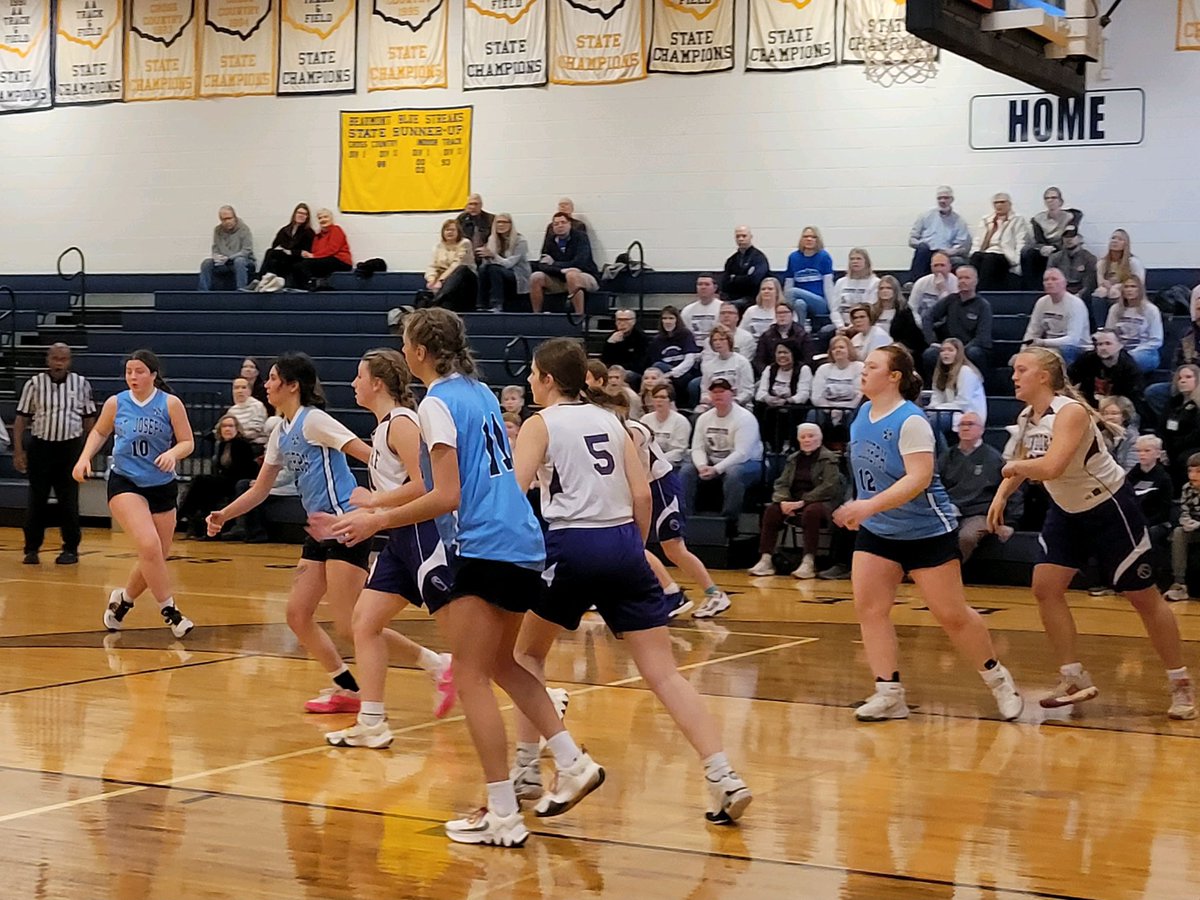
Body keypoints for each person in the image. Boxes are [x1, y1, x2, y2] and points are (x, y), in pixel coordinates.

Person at [333, 308, 603, 846]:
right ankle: (570, 761)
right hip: (524, 538)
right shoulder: (479, 391)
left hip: (486, 543)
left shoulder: (435, 404)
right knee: (502, 664)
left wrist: (376, 518)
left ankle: (503, 813)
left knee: (472, 675)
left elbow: (447, 494)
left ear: (417, 352)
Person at [509, 338, 751, 823]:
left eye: (534, 373)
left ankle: (528, 767)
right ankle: (724, 775)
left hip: (571, 543)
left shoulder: (540, 422)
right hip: (623, 542)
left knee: (525, 655)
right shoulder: (614, 422)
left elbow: (515, 495)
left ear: (549, 379)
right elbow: (643, 496)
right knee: (663, 672)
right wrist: (633, 548)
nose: (530, 381)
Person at [988, 347, 1195, 720]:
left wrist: (1013, 468)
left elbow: (1050, 466)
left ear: (1043, 377)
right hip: (1067, 511)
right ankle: (1073, 677)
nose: (1014, 376)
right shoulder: (1026, 416)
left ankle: (1180, 683)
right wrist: (1001, 495)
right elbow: (1019, 465)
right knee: (1045, 587)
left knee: (1142, 598)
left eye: (1022, 369)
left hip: (1109, 507)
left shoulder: (1071, 412)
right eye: (1013, 369)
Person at [834, 345, 1022, 722]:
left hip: (926, 532)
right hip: (879, 532)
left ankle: (999, 680)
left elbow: (918, 479)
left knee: (951, 615)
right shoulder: (861, 416)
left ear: (894, 377)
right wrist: (862, 506)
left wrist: (866, 506)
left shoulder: (912, 420)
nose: (863, 370)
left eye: (872, 366)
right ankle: (889, 693)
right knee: (870, 611)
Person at [207, 352, 375, 712]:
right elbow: (259, 489)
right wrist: (224, 514)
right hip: (319, 531)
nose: (265, 384)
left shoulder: (315, 422)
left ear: (292, 385)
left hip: (347, 525)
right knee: (298, 615)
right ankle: (347, 689)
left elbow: (370, 455)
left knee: (351, 625)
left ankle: (435, 664)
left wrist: (383, 501)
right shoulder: (281, 430)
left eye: (272, 378)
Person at [317, 349, 458, 748]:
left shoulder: (402, 423)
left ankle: (544, 698)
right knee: (364, 623)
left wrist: (376, 503)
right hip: (399, 540)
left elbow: (425, 486)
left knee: (470, 644)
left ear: (377, 383)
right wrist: (370, 502)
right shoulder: (382, 429)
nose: (353, 384)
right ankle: (373, 721)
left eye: (358, 376)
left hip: (425, 537)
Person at [72, 350, 196, 638]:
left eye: (139, 371)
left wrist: (173, 453)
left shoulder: (170, 404)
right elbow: (100, 432)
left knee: (156, 556)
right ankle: (171, 612)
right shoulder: (117, 403)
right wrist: (84, 457)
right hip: (125, 481)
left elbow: (188, 441)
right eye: (129, 371)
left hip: (162, 485)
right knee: (149, 545)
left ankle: (123, 601)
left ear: (153, 374)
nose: (133, 376)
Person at [14, 343, 96, 565]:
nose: (59, 363)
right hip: (41, 448)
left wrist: (88, 454)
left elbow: (90, 421)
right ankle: (31, 549)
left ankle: (70, 549)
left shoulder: (81, 384)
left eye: (63, 359)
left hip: (70, 449)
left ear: (69, 361)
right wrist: (19, 451)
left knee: (68, 501)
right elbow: (21, 419)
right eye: (55, 358)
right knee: (36, 500)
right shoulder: (34, 384)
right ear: (48, 359)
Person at [749, 423, 842, 579]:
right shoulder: (793, 459)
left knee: (811, 512)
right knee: (772, 510)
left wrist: (803, 502)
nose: (807, 440)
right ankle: (766, 559)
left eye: (811, 436)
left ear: (819, 438)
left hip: (822, 502)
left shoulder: (829, 459)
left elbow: (829, 487)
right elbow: (782, 483)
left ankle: (808, 561)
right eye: (803, 437)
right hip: (794, 501)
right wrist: (783, 500)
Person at [680, 378, 763, 534]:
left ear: (732, 393)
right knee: (686, 470)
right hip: (713, 461)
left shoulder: (745, 418)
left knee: (734, 473)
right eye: (715, 392)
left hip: (749, 462)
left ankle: (728, 524)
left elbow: (742, 453)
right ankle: (685, 519)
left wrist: (716, 469)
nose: (718, 395)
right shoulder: (704, 418)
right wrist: (702, 466)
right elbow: (697, 447)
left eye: (722, 391)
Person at [939, 411, 1016, 562]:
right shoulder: (947, 457)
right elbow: (934, 484)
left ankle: (951, 572)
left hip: (979, 513)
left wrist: (1010, 522)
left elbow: (1011, 490)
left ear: (981, 429)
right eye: (962, 425)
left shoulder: (994, 458)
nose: (965, 428)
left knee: (966, 537)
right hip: (950, 511)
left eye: (970, 424)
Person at [179, 415, 259, 538]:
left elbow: (242, 470)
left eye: (231, 426)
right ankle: (200, 526)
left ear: (237, 429)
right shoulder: (221, 445)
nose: (227, 429)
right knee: (203, 490)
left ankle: (180, 515)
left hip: (238, 481)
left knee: (200, 480)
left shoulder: (241, 444)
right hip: (225, 480)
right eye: (224, 426)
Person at [921, 266, 992, 376]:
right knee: (930, 354)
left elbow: (982, 337)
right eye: (960, 278)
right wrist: (932, 341)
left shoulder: (983, 306)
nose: (963, 281)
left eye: (967, 278)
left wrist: (960, 351)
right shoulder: (950, 300)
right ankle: (934, 388)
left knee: (974, 353)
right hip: (949, 347)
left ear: (976, 281)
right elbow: (927, 317)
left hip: (970, 347)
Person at [1146, 286, 1200, 422]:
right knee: (1154, 392)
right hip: (1187, 380)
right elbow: (1175, 367)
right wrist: (1180, 381)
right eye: (1198, 310)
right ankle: (1174, 423)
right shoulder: (1187, 336)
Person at [530, 212, 599, 316]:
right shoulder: (550, 241)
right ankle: (536, 315)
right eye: (556, 224)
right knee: (536, 277)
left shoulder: (581, 237)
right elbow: (542, 265)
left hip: (586, 276)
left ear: (570, 224)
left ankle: (579, 316)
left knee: (572, 275)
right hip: (560, 277)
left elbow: (580, 263)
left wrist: (554, 263)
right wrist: (561, 270)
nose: (560, 226)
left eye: (563, 222)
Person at [1021, 268, 1091, 365]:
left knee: (1057, 354)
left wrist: (1043, 343)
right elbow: (1033, 331)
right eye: (1046, 280)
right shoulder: (1041, 302)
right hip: (1049, 346)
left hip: (1076, 348)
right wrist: (1023, 352)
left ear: (1064, 283)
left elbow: (1073, 339)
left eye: (1054, 279)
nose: (1049, 282)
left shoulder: (1075, 304)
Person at [1021, 186, 1082, 290]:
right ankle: (1032, 289)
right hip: (1045, 247)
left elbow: (1070, 235)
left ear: (1060, 201)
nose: (1050, 200)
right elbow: (1038, 239)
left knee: (1060, 254)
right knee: (1028, 253)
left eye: (1053, 198)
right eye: (1047, 198)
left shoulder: (1070, 217)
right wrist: (1043, 247)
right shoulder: (1038, 219)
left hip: (1062, 246)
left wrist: (1055, 247)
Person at [1066, 329, 1143, 410]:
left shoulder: (1130, 368)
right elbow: (1068, 378)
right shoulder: (1087, 359)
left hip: (1116, 411)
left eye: (1108, 343)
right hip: (1088, 406)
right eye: (1099, 344)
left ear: (1120, 345)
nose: (1103, 348)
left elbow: (1131, 400)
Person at [754, 343, 812, 451]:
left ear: (793, 354)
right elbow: (760, 393)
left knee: (792, 411)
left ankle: (793, 446)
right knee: (760, 408)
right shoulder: (770, 368)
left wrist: (787, 401)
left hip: (793, 407)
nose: (782, 356)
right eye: (779, 353)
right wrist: (769, 398)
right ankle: (770, 447)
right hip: (773, 406)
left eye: (785, 352)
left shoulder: (803, 369)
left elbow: (803, 394)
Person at [907, 186, 971, 281]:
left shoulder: (959, 221)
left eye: (946, 198)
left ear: (952, 200)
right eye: (939, 198)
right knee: (922, 250)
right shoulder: (925, 216)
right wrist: (921, 244)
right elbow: (912, 239)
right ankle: (915, 283)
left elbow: (963, 246)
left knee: (958, 261)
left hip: (946, 253)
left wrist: (951, 251)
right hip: (927, 251)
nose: (942, 201)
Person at [969, 193, 1031, 291]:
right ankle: (971, 291)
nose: (999, 205)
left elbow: (1021, 242)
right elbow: (977, 240)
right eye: (996, 203)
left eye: (1002, 202)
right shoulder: (986, 220)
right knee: (976, 257)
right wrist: (973, 254)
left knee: (990, 259)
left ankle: (983, 292)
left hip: (1004, 255)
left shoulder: (1017, 220)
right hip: (986, 252)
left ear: (1009, 204)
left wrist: (1017, 263)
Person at [1105, 275, 1163, 373]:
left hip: (1145, 352)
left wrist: (1131, 353)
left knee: (1127, 361)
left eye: (1133, 286)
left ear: (1140, 289)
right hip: (1119, 350)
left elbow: (1156, 340)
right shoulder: (1115, 309)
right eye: (1126, 287)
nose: (1129, 290)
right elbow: (1109, 333)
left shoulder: (1151, 310)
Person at [475, 213, 530, 312]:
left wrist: (493, 255)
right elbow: (488, 263)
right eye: (498, 222)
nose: (501, 225)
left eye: (504, 222)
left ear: (510, 224)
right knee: (483, 269)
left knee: (494, 269)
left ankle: (497, 304)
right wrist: (485, 256)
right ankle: (481, 305)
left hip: (517, 275)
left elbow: (509, 264)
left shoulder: (520, 241)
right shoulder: (492, 239)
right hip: (498, 272)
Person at [782, 226, 835, 327]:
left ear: (818, 240)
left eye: (813, 237)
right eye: (806, 236)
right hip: (799, 300)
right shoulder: (793, 257)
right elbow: (788, 283)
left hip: (819, 302)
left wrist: (833, 311)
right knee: (799, 304)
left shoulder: (824, 257)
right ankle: (800, 331)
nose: (809, 239)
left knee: (792, 292)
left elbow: (828, 286)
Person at [928, 338, 987, 429]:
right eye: (943, 350)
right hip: (948, 412)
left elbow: (963, 403)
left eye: (950, 350)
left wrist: (938, 408)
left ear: (958, 353)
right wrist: (931, 409)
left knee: (933, 422)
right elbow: (937, 397)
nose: (946, 353)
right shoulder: (940, 374)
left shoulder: (966, 371)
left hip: (968, 414)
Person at [1165, 452, 1200, 602]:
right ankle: (1179, 584)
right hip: (1194, 528)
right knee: (1178, 532)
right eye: (1190, 471)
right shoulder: (1187, 488)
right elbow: (1184, 510)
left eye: (1198, 471)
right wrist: (1186, 521)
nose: (1193, 475)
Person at [422, 219, 477, 312]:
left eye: (452, 230)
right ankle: (438, 304)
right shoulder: (438, 246)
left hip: (466, 281)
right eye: (447, 230)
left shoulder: (465, 243)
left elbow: (457, 263)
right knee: (440, 302)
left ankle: (435, 301)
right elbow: (432, 266)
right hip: (447, 287)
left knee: (461, 269)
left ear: (458, 232)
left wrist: (441, 280)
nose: (450, 232)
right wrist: (431, 280)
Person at [695, 326, 754, 411]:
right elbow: (705, 390)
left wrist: (733, 401)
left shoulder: (742, 362)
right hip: (715, 405)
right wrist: (707, 399)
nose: (718, 343)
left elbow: (748, 391)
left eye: (722, 339)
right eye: (715, 340)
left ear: (729, 341)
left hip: (739, 405)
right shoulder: (709, 365)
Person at [647, 306, 700, 398]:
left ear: (677, 320)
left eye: (671, 318)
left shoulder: (686, 335)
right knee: (656, 368)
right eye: (665, 318)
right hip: (665, 375)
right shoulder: (657, 340)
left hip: (684, 374)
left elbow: (689, 361)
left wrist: (672, 373)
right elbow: (654, 364)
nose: (668, 321)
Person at [1160, 364, 1200, 489]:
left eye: (1188, 377)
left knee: (1184, 458)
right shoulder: (1173, 402)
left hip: (1193, 446)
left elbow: (1197, 433)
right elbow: (1162, 427)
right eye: (1179, 378)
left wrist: (1174, 447)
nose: (1183, 381)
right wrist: (1164, 447)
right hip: (1172, 445)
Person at [258, 202, 315, 289]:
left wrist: (290, 251)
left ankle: (261, 279)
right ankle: (266, 280)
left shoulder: (309, 232)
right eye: (299, 213)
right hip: (283, 257)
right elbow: (275, 245)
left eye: (304, 214)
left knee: (272, 255)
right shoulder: (285, 230)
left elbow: (307, 251)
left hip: (296, 259)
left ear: (307, 217)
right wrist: (286, 251)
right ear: (295, 214)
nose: (301, 215)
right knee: (270, 252)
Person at [199, 205, 255, 291]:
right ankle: (203, 291)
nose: (227, 221)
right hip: (224, 262)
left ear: (235, 217)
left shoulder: (244, 229)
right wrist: (217, 257)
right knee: (206, 263)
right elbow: (215, 248)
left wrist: (229, 258)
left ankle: (241, 289)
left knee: (239, 261)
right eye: (223, 219)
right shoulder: (217, 230)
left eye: (229, 218)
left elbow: (247, 250)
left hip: (243, 261)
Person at [809, 335, 863, 421]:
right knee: (813, 414)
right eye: (834, 348)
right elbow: (816, 396)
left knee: (855, 415)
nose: (838, 350)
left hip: (850, 409)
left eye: (841, 347)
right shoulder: (823, 368)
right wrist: (830, 410)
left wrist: (843, 411)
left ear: (849, 350)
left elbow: (859, 394)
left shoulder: (859, 367)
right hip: (827, 409)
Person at [827, 249, 880, 335]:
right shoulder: (841, 282)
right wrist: (840, 327)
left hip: (863, 324)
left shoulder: (875, 282)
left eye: (858, 259)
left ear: (866, 262)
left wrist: (852, 327)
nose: (855, 261)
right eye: (852, 259)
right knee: (825, 332)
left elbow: (870, 309)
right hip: (843, 325)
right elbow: (834, 309)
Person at [295, 209, 352, 289]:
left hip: (341, 261)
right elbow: (315, 251)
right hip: (326, 260)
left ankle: (314, 284)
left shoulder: (336, 229)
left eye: (325, 217)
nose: (323, 220)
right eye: (320, 218)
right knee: (298, 265)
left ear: (331, 218)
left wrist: (314, 256)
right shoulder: (317, 236)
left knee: (305, 264)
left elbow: (333, 249)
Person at [754, 302, 815, 374]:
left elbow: (808, 359)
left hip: (796, 374)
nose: (782, 316)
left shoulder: (803, 335)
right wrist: (768, 374)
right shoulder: (766, 336)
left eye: (785, 312)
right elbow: (759, 360)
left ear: (792, 315)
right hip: (771, 374)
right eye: (779, 313)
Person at [720, 225, 771, 309]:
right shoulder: (731, 260)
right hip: (733, 298)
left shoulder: (759, 258)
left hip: (752, 299)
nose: (741, 239)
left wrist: (734, 278)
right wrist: (745, 278)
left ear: (750, 237)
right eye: (738, 236)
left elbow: (755, 280)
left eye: (744, 236)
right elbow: (725, 283)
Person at [641, 383, 691, 466]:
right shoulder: (645, 419)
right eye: (655, 397)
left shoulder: (681, 421)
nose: (659, 400)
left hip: (674, 462)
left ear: (670, 401)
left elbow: (679, 450)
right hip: (649, 460)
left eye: (663, 397)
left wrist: (659, 460)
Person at [876, 276, 925, 356]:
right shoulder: (873, 310)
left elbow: (912, 337)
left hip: (896, 349)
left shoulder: (904, 311)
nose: (885, 291)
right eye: (881, 288)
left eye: (889, 288)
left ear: (895, 291)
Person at [908, 252, 957, 331]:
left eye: (942, 265)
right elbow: (912, 308)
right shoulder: (921, 282)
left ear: (949, 267)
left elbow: (952, 311)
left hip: (946, 326)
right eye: (936, 265)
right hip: (922, 324)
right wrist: (921, 324)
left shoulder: (956, 283)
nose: (939, 269)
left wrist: (943, 290)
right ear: (931, 267)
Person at [1047, 225, 1098, 299]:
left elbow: (1089, 285)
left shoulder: (1089, 258)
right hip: (1059, 294)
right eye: (1066, 236)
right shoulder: (1054, 258)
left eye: (1072, 236)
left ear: (1079, 238)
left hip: (1081, 296)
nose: (1069, 239)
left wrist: (1077, 297)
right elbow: (1050, 280)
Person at [601, 308, 649, 379]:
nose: (622, 323)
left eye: (626, 320)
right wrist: (610, 344)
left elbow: (640, 363)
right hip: (612, 371)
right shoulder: (611, 337)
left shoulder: (641, 338)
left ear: (634, 321)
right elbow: (604, 361)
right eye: (619, 320)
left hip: (632, 372)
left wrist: (620, 370)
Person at [680, 274, 723, 346]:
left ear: (715, 288)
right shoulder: (687, 310)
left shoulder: (723, 308)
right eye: (700, 284)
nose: (703, 287)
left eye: (707, 284)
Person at [223, 376, 269, 444]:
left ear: (250, 391)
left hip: (253, 444)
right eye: (236, 388)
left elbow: (256, 431)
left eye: (243, 387)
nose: (240, 391)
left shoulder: (257, 406)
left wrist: (238, 437)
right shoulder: (231, 410)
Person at [1099, 395, 1138, 470]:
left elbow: (1131, 468)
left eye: (1114, 413)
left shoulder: (1133, 438)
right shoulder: (1100, 436)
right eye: (1105, 413)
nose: (1109, 417)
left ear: (1124, 416)